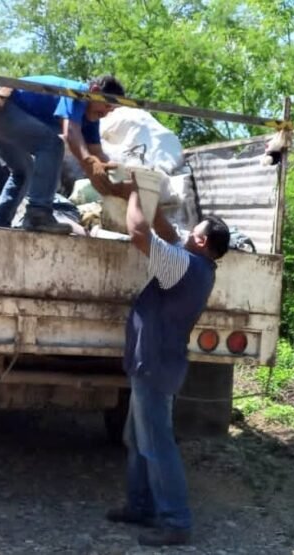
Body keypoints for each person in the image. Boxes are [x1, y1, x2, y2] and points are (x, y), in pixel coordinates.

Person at [106, 173, 230, 546]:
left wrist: (133, 198)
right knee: (137, 436)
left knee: (157, 443)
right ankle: (140, 505)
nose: (188, 232)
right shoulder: (196, 266)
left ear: (202, 240)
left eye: (194, 230)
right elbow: (168, 234)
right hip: (157, 363)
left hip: (155, 367)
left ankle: (176, 521)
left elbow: (140, 234)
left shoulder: (183, 265)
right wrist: (151, 197)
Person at [0, 74, 125, 233]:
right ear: (95, 91)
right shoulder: (78, 93)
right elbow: (71, 133)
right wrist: (88, 162)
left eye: (112, 109)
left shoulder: (91, 119)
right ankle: (38, 215)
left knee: (24, 171)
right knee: (52, 145)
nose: (107, 113)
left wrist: (119, 181)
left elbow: (98, 154)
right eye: (108, 106)